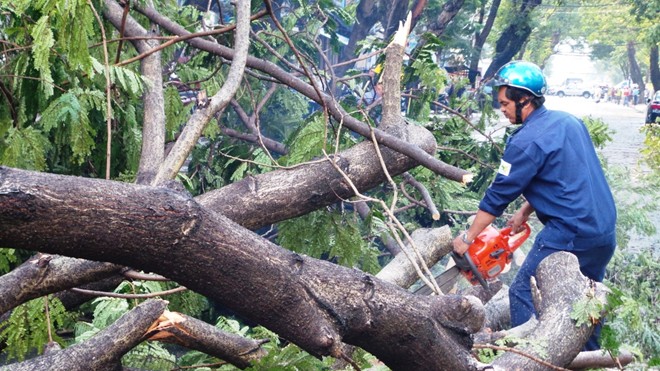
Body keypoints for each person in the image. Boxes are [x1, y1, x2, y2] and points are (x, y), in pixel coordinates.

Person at [452, 61, 617, 350]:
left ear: (524, 99)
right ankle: (588, 361)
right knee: (586, 299)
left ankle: (530, 359)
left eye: (505, 103)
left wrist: (468, 239)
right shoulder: (569, 122)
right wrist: (527, 208)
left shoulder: (525, 142)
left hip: (571, 232)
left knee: (523, 292)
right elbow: (566, 175)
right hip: (603, 232)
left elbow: (497, 197)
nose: (501, 109)